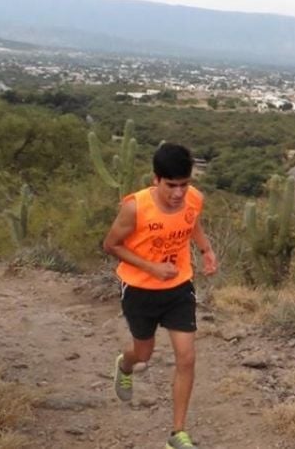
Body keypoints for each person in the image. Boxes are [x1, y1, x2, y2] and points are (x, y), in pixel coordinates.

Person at [103, 143, 217, 449]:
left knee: (187, 357)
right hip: (140, 290)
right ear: (156, 179)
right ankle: (125, 365)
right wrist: (151, 267)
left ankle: (177, 434)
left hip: (179, 286)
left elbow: (192, 221)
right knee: (143, 354)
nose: (179, 193)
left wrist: (206, 249)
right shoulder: (136, 207)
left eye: (184, 184)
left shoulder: (193, 198)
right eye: (171, 185)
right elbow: (111, 245)